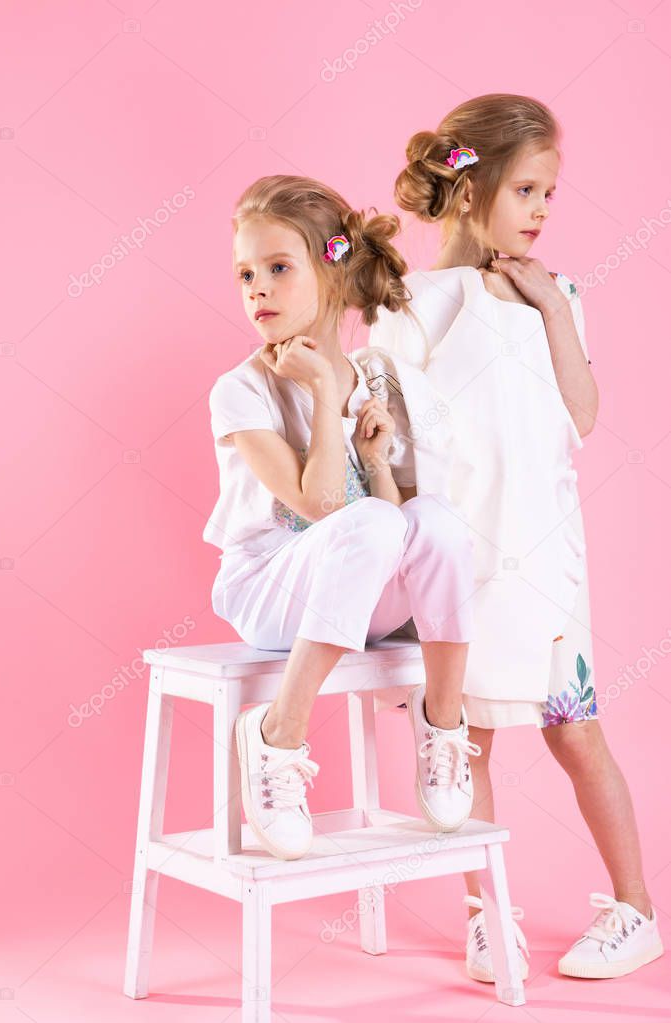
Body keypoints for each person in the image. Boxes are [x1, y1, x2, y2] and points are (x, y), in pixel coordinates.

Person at [369, 93, 664, 980]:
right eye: (527, 190)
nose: (541, 210)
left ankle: (636, 906)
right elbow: (387, 428)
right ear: (470, 192)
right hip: (463, 564)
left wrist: (555, 313)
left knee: (577, 733)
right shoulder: (418, 301)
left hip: (547, 562)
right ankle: (485, 912)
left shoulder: (558, 294)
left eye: (549, 194)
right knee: (467, 742)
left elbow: (582, 414)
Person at [203, 174, 479, 862]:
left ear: (332, 275)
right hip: (269, 591)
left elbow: (385, 530)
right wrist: (325, 390)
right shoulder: (239, 391)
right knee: (380, 525)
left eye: (277, 268)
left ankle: (441, 718)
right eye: (245, 274)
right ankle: (278, 732)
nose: (257, 288)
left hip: (348, 594)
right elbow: (322, 507)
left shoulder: (370, 380)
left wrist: (377, 461)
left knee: (436, 520)